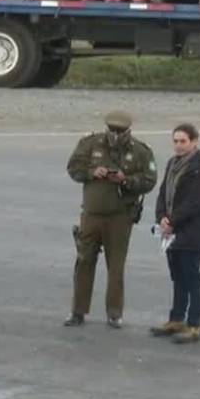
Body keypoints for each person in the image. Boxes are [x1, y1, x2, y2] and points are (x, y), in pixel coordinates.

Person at [65, 110, 157, 328]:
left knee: (116, 266)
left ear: (128, 131)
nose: (115, 135)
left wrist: (126, 180)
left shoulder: (140, 151)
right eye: (112, 130)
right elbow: (73, 168)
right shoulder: (90, 144)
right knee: (84, 261)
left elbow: (149, 180)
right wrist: (91, 172)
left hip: (120, 216)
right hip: (91, 214)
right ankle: (78, 311)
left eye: (120, 131)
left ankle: (114, 313)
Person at [150, 124, 200, 343]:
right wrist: (161, 218)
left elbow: (195, 202)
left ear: (194, 141)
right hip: (172, 231)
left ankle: (194, 325)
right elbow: (163, 193)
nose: (178, 145)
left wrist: (173, 222)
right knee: (177, 276)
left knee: (192, 277)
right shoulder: (172, 163)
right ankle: (176, 318)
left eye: (183, 141)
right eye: (175, 141)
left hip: (191, 233)